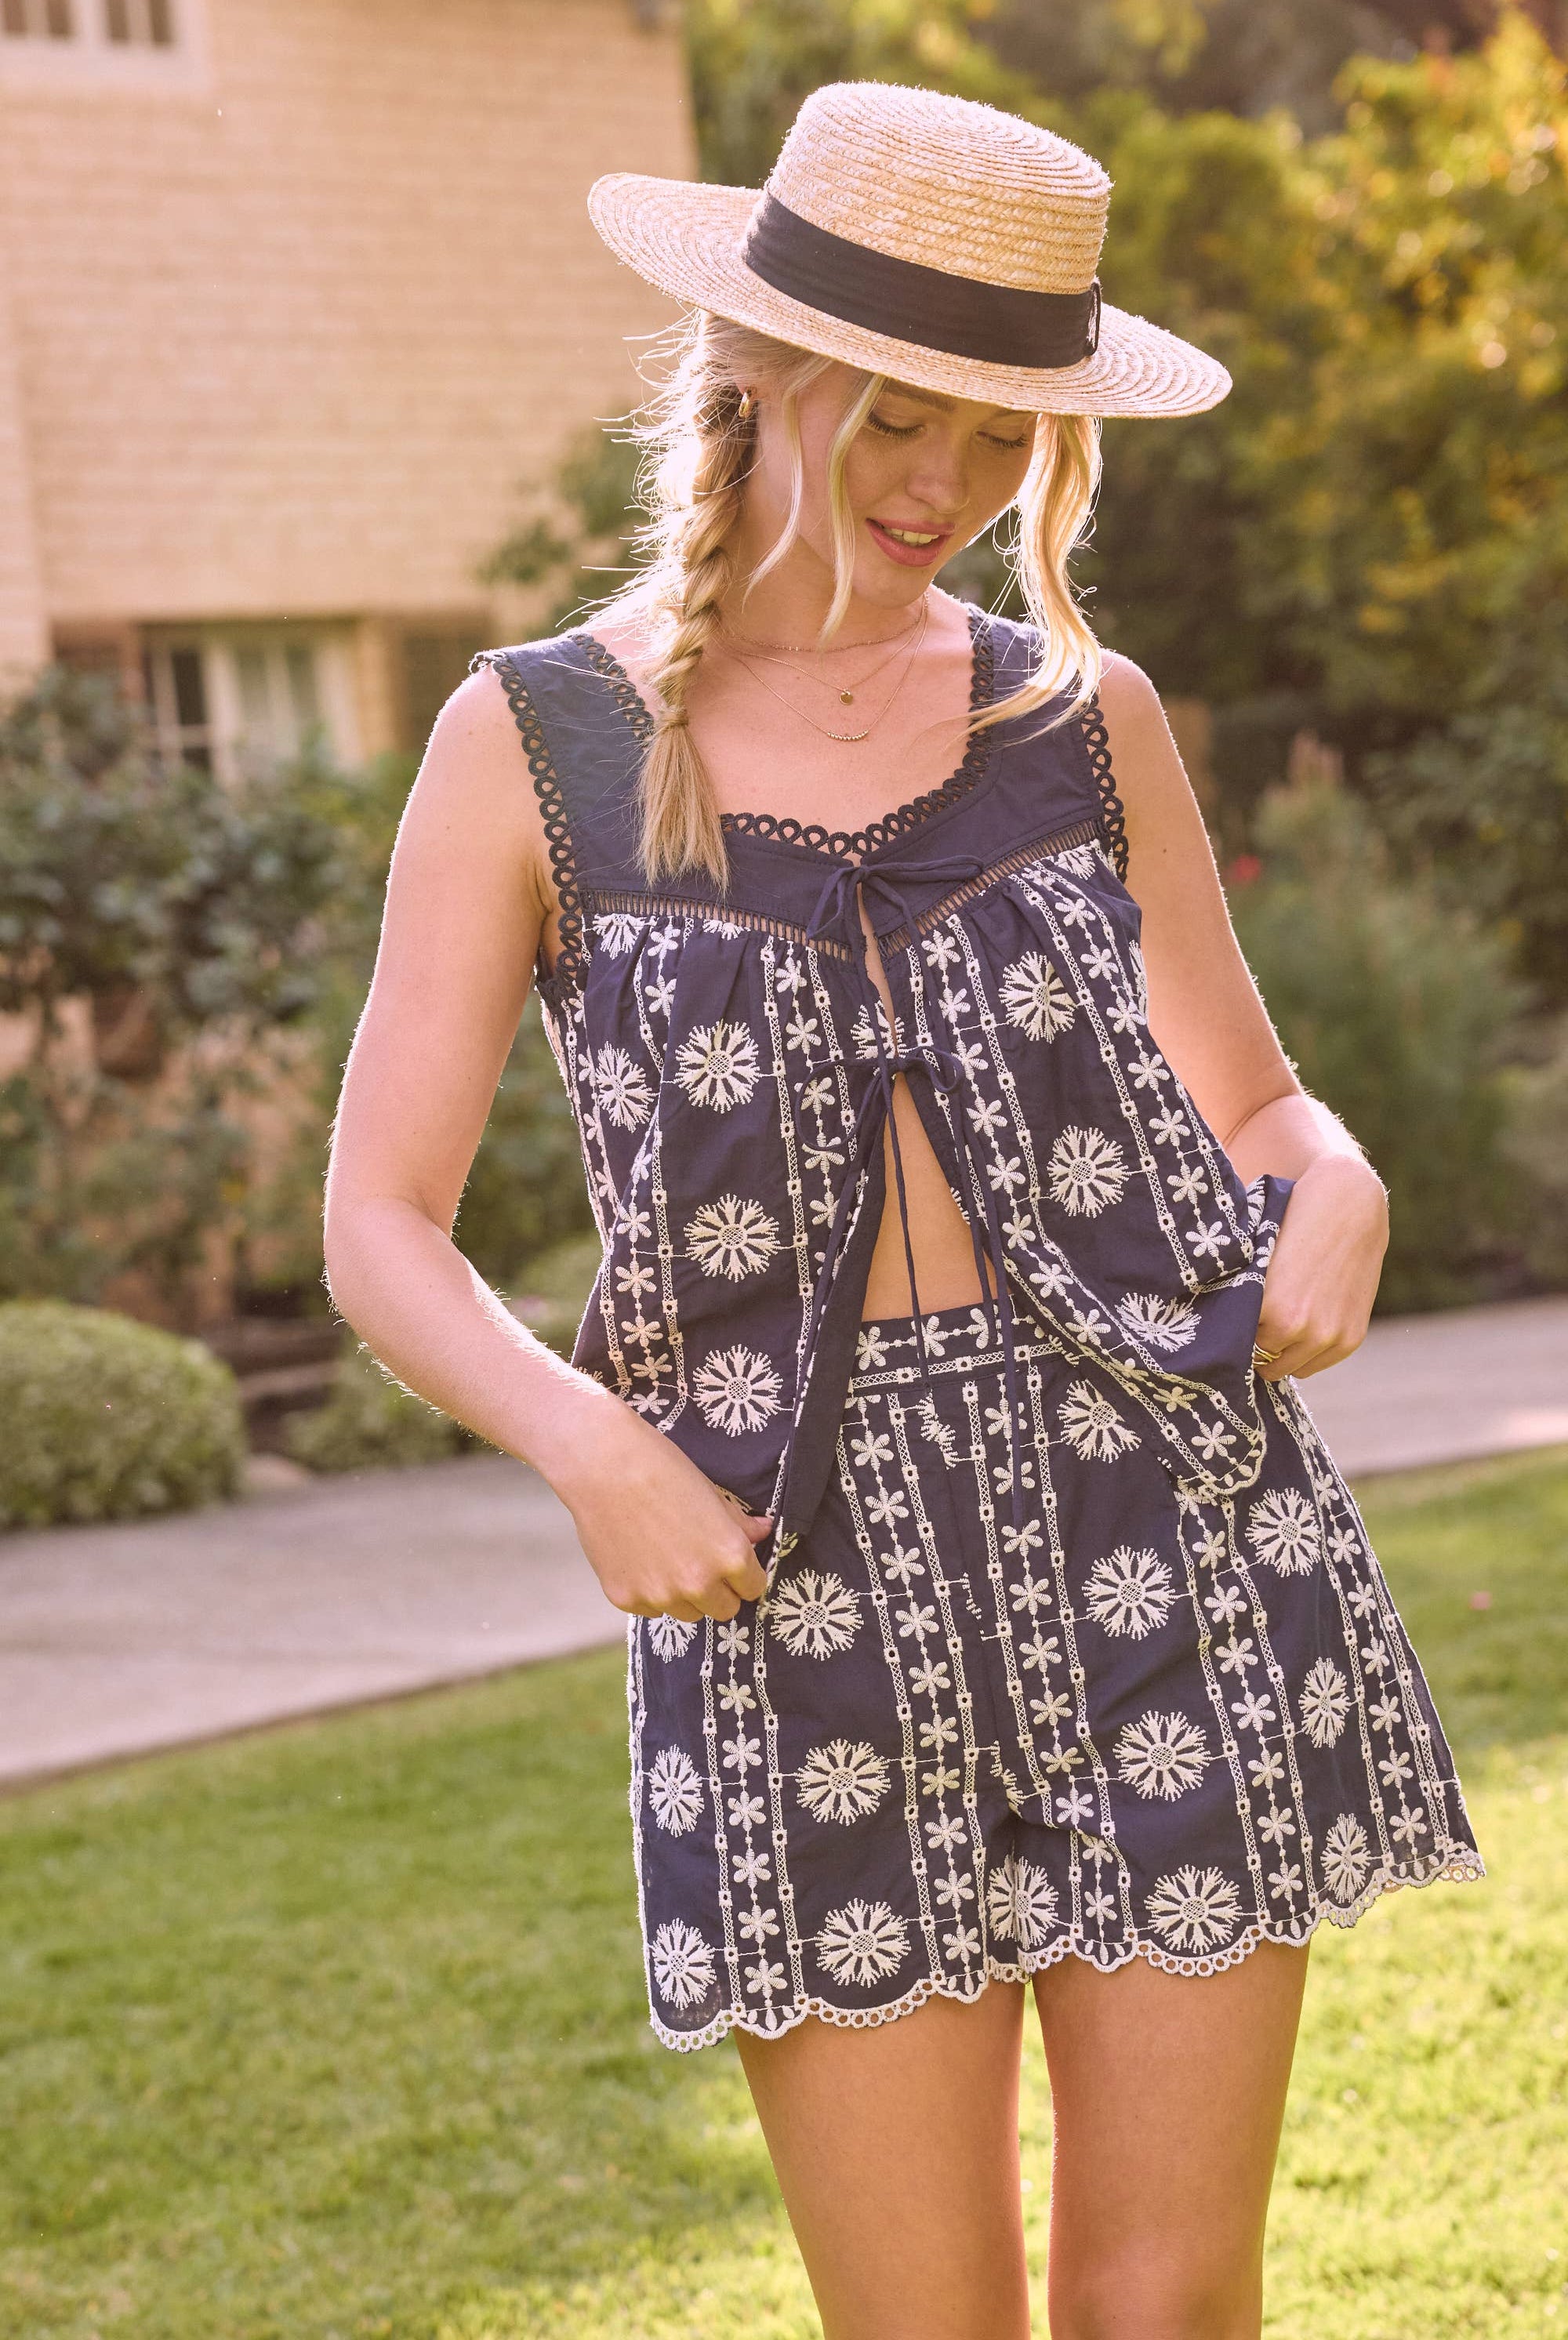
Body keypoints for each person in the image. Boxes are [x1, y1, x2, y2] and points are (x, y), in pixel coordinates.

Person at [324, 82, 1483, 2340]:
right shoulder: (536, 745)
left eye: (992, 430)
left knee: (1170, 2306)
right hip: (794, 1588)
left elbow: (1259, 1099)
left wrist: (1334, 1183)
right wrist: (590, 1443)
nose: (940, 485)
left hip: (1170, 1532)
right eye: (890, 418)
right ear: (760, 366)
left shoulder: (1082, 714)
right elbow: (380, 1211)